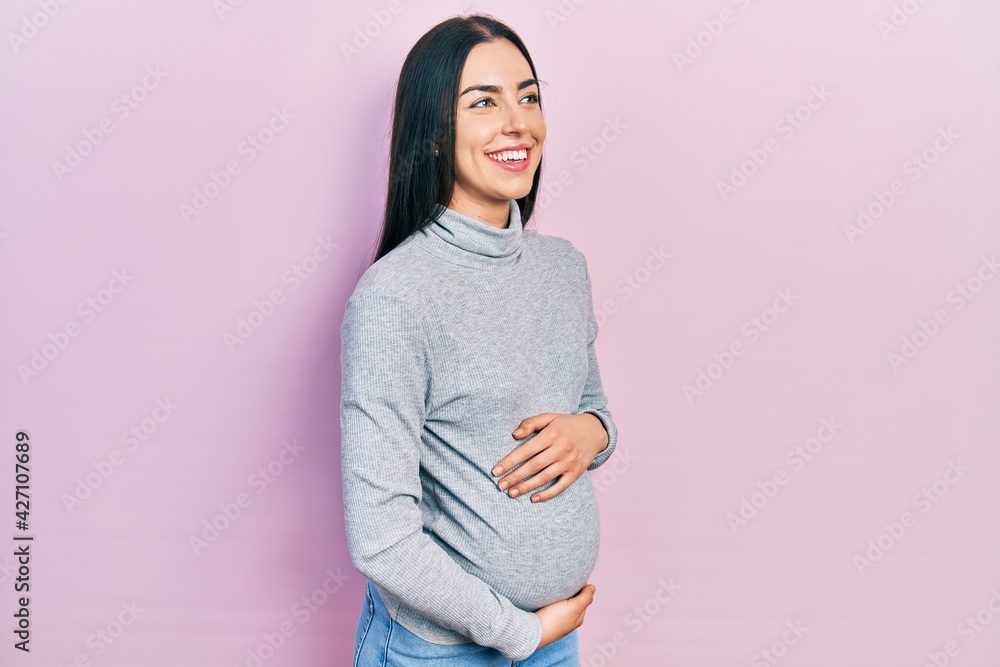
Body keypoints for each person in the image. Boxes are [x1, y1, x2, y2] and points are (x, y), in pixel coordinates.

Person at [340, 13, 619, 666]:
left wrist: (591, 433)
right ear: (435, 133)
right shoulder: (395, 298)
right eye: (484, 103)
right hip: (441, 650)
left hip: (553, 639)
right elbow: (380, 538)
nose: (518, 122)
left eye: (528, 97)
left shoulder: (563, 269)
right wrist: (520, 633)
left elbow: (597, 415)